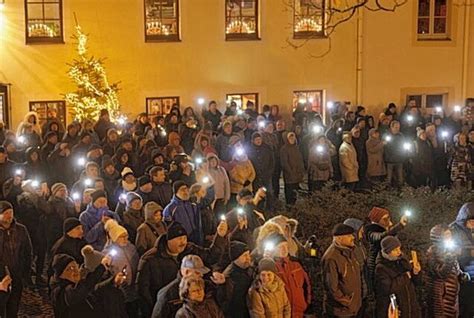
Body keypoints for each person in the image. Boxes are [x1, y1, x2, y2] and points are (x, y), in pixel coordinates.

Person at [137, 222, 227, 316]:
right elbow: (143, 291)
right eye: (179, 239)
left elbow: (211, 257)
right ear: (169, 240)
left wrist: (220, 237)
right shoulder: (150, 259)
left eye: (185, 238)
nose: (183, 242)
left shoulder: (190, 249)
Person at [151, 254, 231, 318]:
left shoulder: (207, 286)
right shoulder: (167, 293)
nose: (201, 276)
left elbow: (223, 304)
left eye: (201, 273)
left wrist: (222, 285)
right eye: (197, 273)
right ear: (186, 272)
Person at [49, 253, 127, 318]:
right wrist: (101, 268)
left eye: (75, 266)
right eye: (69, 269)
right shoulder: (59, 292)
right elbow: (81, 290)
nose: (75, 271)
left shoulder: (76, 284)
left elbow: (94, 289)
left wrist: (113, 281)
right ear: (60, 275)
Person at [426, 224, 468, 318]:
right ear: (439, 238)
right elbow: (441, 273)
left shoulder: (449, 251)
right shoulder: (432, 254)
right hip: (441, 298)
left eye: (450, 235)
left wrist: (461, 274)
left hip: (452, 297)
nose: (449, 238)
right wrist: (449, 258)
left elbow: (453, 269)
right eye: (446, 236)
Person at [321, 223, 362, 318]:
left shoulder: (350, 252)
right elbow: (332, 288)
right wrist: (348, 302)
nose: (353, 237)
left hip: (352, 309)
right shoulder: (331, 258)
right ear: (339, 238)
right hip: (340, 312)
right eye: (349, 235)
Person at [375, 236, 422, 318]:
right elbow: (388, 289)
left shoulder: (402, 260)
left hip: (411, 306)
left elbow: (416, 282)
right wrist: (405, 276)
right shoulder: (381, 268)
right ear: (388, 251)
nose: (399, 252)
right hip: (397, 308)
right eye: (395, 250)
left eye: (399, 248)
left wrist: (416, 272)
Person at [0, 201, 32, 318]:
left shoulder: (21, 230)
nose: (9, 216)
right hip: (1, 277)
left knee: (14, 305)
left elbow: (28, 252)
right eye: (6, 213)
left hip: (17, 274)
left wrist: (25, 272)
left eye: (11, 212)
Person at [267, 233, 311, 318]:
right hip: (280, 314)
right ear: (273, 250)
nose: (284, 249)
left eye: (286, 246)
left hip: (299, 312)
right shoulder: (270, 266)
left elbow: (307, 284)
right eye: (280, 247)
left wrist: (306, 302)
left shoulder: (296, 264)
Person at [102, 220, 140, 317]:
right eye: (122, 237)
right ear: (115, 238)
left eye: (126, 236)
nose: (125, 239)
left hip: (134, 287)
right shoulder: (108, 253)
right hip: (121, 289)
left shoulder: (131, 248)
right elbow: (107, 272)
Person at [365, 207, 407, 288]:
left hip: (389, 264)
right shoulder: (371, 232)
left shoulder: (388, 230)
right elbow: (380, 237)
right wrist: (399, 226)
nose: (388, 221)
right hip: (376, 267)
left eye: (388, 218)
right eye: (385, 219)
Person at [449, 202, 474, 318]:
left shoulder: (471, 231)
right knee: (464, 308)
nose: (473, 223)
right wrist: (469, 253)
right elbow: (451, 251)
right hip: (462, 276)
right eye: (471, 220)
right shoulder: (453, 230)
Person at [223, 241, 253, 318]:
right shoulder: (229, 276)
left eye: (248, 254)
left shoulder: (248, 268)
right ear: (236, 258)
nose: (248, 258)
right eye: (245, 255)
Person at [279, 132, 305, 205]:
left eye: (293, 137)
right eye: (290, 138)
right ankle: (289, 206)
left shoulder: (296, 147)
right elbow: (285, 163)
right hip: (289, 175)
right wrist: (290, 172)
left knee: (295, 192)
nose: (292, 139)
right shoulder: (284, 149)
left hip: (297, 174)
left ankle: (294, 205)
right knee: (289, 191)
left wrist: (301, 170)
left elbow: (300, 159)